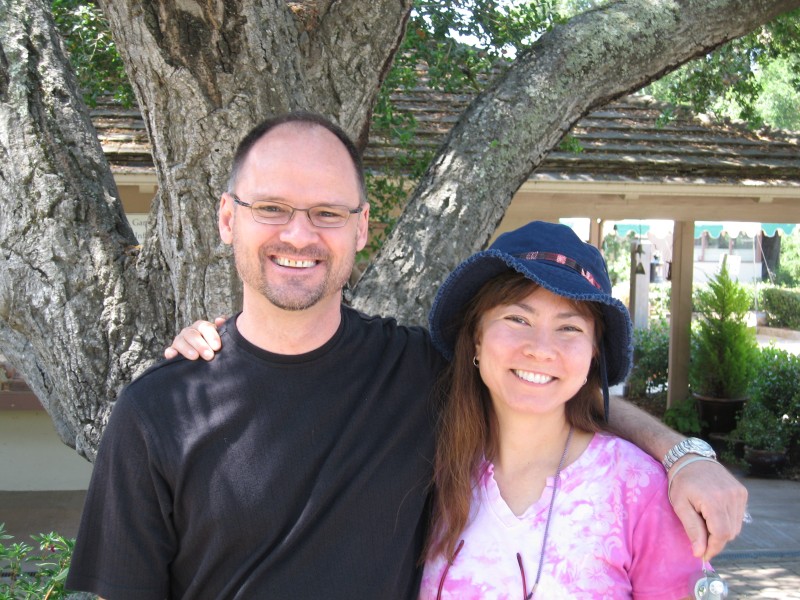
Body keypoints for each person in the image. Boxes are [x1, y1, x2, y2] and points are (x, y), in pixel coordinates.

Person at [68, 111, 745, 599]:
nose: (299, 234)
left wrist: (682, 455)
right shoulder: (159, 408)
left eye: (328, 212)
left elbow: (546, 389)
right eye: (272, 207)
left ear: (361, 226)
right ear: (227, 218)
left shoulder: (417, 374)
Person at [419, 220, 707, 598]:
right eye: (517, 319)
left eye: (569, 328)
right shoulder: (426, 467)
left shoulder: (639, 489)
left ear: (593, 353)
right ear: (476, 337)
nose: (540, 348)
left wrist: (690, 457)